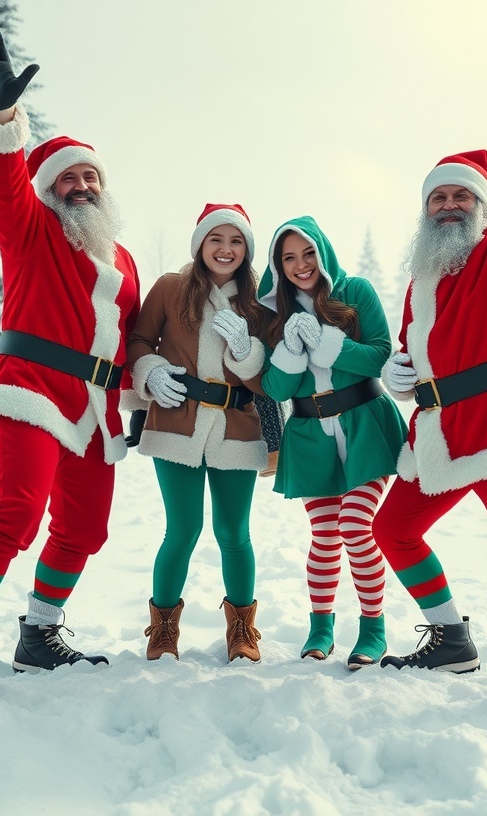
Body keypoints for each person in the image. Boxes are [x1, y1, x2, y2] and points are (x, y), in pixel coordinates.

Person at [0, 31, 140, 705]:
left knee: (84, 531)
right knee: (16, 510)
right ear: (51, 190)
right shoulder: (32, 230)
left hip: (94, 409)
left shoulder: (123, 260)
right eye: (68, 178)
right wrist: (3, 121)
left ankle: (39, 635)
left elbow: (126, 341)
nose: (81, 185)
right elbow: (6, 187)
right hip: (31, 391)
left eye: (90, 176)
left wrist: (144, 385)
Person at [373, 146, 487, 706]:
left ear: (480, 206)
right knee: (393, 531)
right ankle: (451, 641)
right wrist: (400, 374)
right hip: (439, 435)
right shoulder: (419, 283)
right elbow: (414, 352)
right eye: (438, 197)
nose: (448, 205)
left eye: (461, 196)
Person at [258, 217, 407, 669]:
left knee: (356, 525)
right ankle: (321, 628)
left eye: (308, 253)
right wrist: (289, 352)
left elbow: (379, 353)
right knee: (325, 534)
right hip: (311, 437)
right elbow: (276, 390)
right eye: (289, 258)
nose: (301, 265)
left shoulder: (355, 292)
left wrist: (327, 344)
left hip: (366, 426)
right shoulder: (274, 314)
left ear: (323, 253)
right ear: (278, 266)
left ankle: (372, 630)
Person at [127, 203, 268, 664]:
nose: (225, 249)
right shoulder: (170, 288)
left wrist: (247, 351)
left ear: (245, 250)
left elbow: (268, 376)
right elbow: (139, 341)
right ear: (200, 245)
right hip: (177, 422)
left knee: (233, 532)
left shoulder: (261, 301)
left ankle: (242, 628)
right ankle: (163, 629)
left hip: (237, 427)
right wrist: (149, 371)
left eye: (235, 241)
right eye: (216, 240)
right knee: (182, 529)